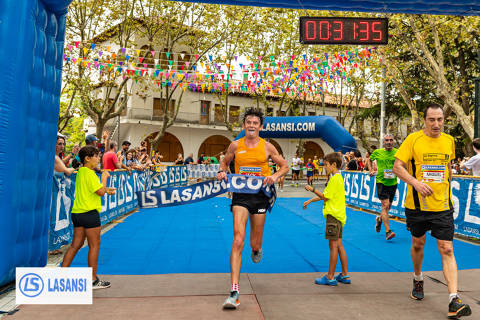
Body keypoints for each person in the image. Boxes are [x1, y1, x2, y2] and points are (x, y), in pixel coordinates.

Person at [393, 103, 471, 319]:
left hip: (443, 206)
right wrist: (416, 183)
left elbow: (447, 168)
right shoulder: (413, 140)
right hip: (417, 206)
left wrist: (446, 189)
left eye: (440, 120)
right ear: (424, 120)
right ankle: (418, 279)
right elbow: (397, 167)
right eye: (432, 120)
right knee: (418, 243)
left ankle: (453, 299)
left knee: (447, 249)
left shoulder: (449, 141)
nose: (437, 124)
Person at [217, 108, 288, 309]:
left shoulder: (267, 147)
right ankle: (234, 291)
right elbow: (224, 163)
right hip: (240, 196)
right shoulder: (235, 145)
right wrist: (222, 172)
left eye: (255, 123)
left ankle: (256, 248)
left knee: (254, 242)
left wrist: (274, 177)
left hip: (260, 197)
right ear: (244, 125)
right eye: (248, 122)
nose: (251, 125)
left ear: (260, 127)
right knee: (238, 239)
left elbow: (284, 166)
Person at [61, 145, 115, 289]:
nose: (98, 159)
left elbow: (91, 191)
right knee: (94, 245)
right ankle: (93, 280)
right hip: (89, 213)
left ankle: (62, 274)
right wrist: (104, 179)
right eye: (96, 156)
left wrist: (106, 190)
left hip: (77, 213)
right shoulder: (90, 173)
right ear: (87, 158)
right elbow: (100, 192)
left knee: (76, 244)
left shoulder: (82, 171)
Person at [303, 152, 350, 286]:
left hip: (333, 216)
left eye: (327, 165)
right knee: (339, 245)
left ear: (334, 165)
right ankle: (345, 274)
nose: (325, 167)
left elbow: (325, 197)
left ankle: (330, 276)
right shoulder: (338, 177)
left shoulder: (334, 179)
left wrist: (312, 189)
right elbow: (327, 195)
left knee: (333, 246)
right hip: (340, 215)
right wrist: (311, 200)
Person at [368, 134, 398, 241]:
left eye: (391, 140)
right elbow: (369, 159)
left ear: (393, 141)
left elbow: (402, 163)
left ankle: (379, 219)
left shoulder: (397, 152)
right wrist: (370, 169)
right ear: (383, 142)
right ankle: (387, 232)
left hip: (393, 183)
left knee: (388, 207)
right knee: (385, 206)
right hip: (381, 182)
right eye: (387, 140)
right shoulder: (377, 152)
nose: (389, 142)